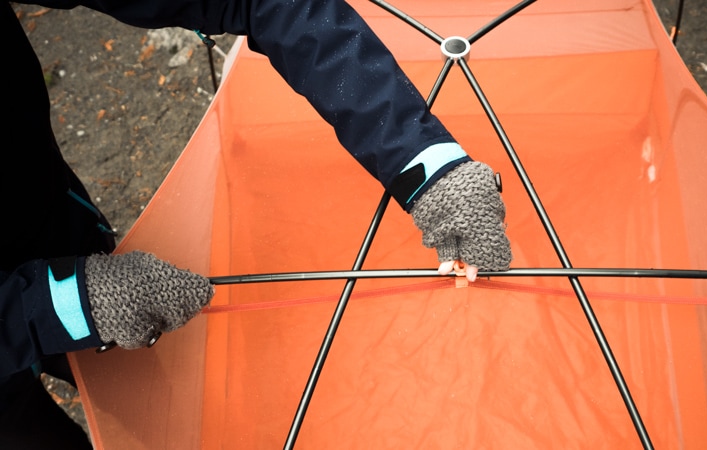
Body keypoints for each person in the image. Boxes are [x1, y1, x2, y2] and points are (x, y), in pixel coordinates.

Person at [1, 0, 512, 447]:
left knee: (158, 409)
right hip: (68, 306)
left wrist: (425, 163)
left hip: (48, 224)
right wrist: (57, 305)